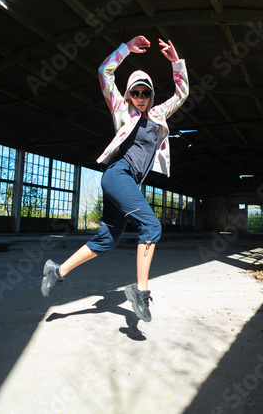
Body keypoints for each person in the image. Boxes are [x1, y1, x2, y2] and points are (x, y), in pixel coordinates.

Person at [41, 35, 189, 322]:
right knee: (151, 226)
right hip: (116, 175)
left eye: (145, 93)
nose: (141, 98)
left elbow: (182, 94)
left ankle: (56, 271)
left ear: (151, 95)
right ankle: (140, 292)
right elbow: (104, 73)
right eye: (136, 93)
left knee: (107, 239)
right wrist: (126, 49)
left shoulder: (158, 114)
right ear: (129, 95)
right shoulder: (122, 111)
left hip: (128, 183)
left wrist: (176, 63)